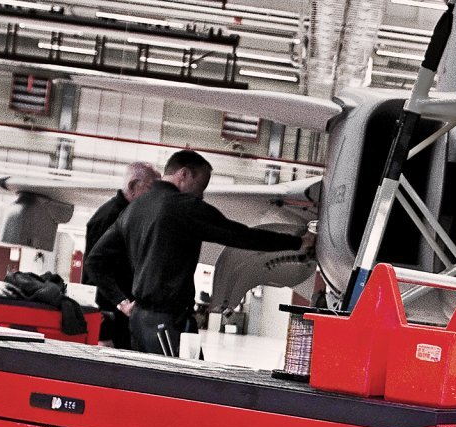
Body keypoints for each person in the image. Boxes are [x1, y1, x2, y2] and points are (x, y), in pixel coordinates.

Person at [86, 150, 314, 356]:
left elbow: (95, 260)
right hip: (168, 323)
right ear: (184, 174)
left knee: (151, 383)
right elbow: (242, 236)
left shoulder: (133, 209)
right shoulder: (184, 207)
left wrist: (122, 301)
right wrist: (297, 242)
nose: (201, 196)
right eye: (201, 187)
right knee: (181, 385)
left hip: (138, 322)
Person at [82, 163, 160, 348]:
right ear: (133, 186)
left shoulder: (129, 216)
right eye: (151, 189)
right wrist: (104, 330)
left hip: (123, 316)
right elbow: (95, 270)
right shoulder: (109, 217)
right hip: (110, 318)